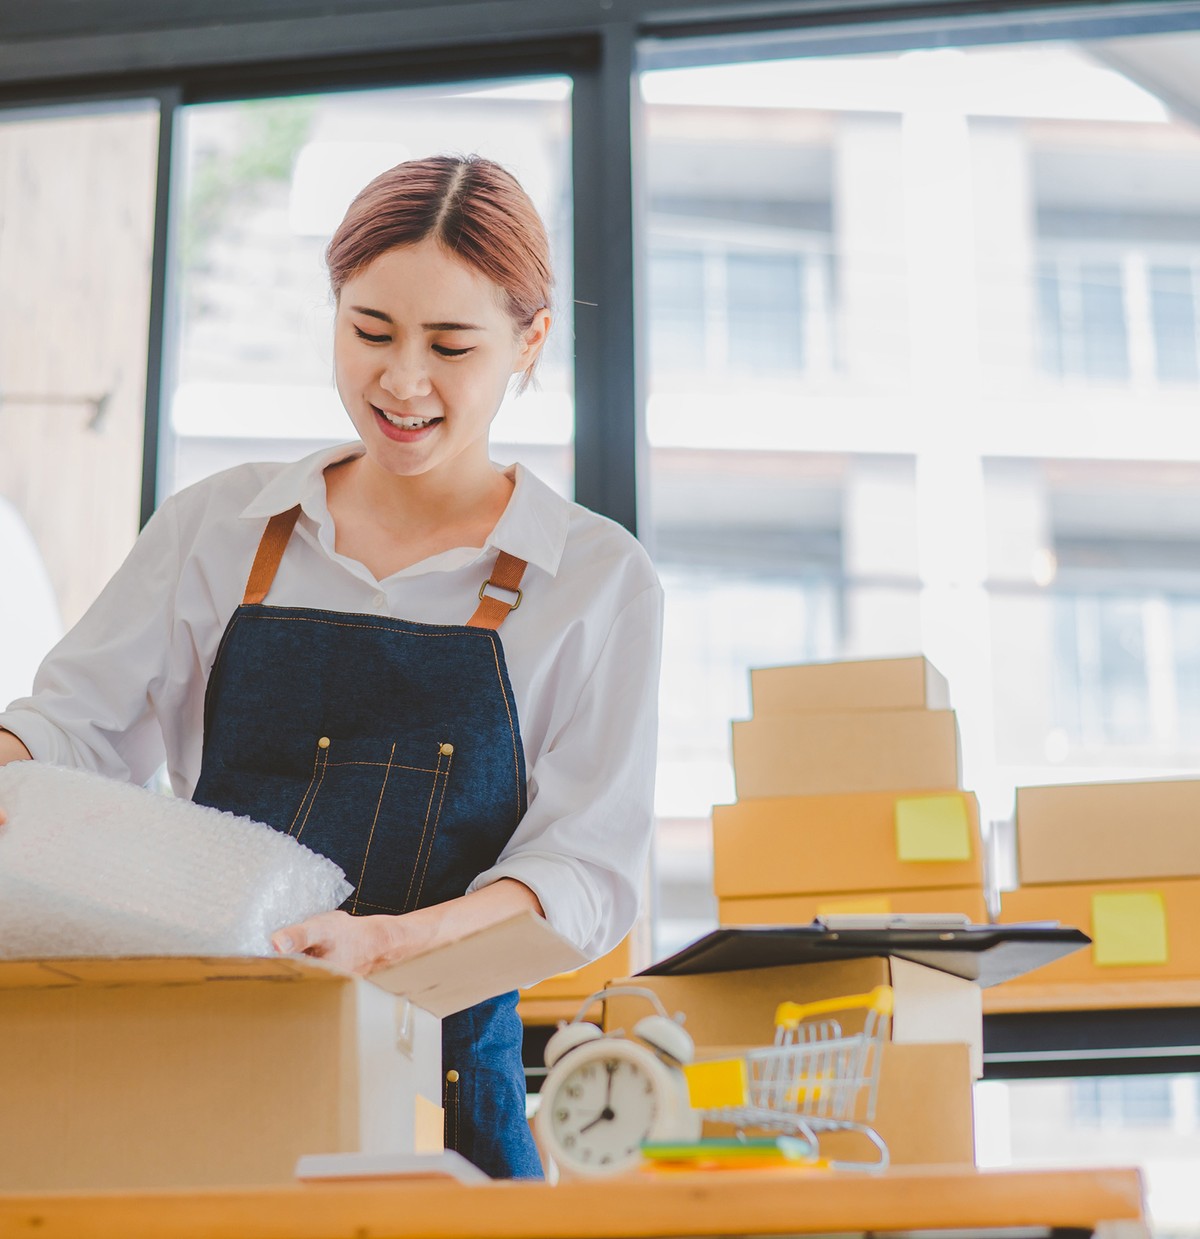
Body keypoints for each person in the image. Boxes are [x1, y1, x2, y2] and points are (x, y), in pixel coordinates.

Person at [0, 154, 663, 1179]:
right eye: (369, 332)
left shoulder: (596, 581)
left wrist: (385, 949)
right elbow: (72, 732)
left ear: (530, 341)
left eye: (451, 345)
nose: (402, 381)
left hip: (444, 1108)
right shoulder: (220, 527)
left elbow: (584, 874)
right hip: (200, 1076)